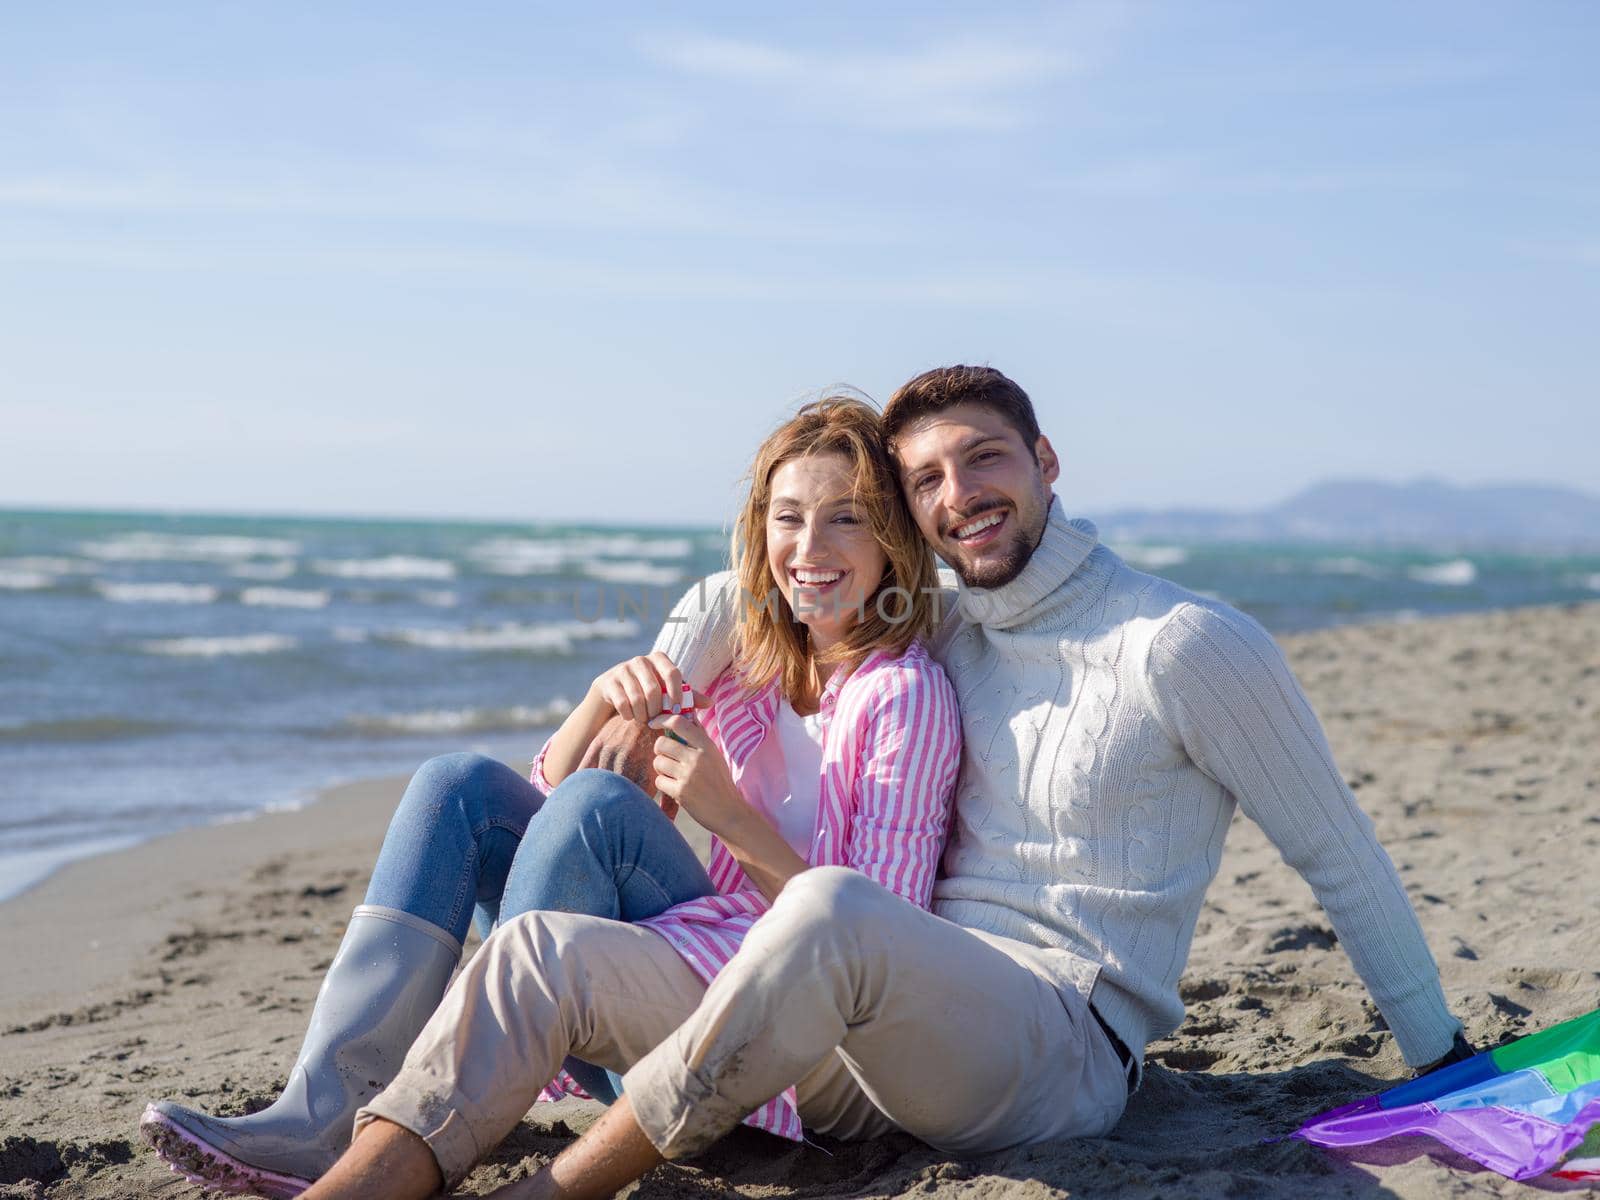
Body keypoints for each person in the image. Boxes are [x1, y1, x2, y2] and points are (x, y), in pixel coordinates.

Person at [294, 364, 1477, 1200]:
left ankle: (562, 1188)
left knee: (826, 905)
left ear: (1047, 461)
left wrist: (1443, 1066)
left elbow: (1339, 857)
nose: (959, 494)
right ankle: (354, 1179)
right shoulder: (950, 624)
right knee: (534, 950)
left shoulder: (1180, 644)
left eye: (985, 458)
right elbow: (749, 593)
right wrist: (643, 672)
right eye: (927, 479)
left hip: (1058, 1045)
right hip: (862, 1029)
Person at [140, 395, 960, 1195]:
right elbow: (542, 811)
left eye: (845, 518)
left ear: (891, 538)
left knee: (601, 809)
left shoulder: (905, 696)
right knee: (459, 787)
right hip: (671, 974)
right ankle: (323, 1111)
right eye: (788, 516)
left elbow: (874, 942)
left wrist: (727, 816)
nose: (809, 545)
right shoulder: (751, 663)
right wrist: (599, 701)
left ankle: (442, 1101)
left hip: (771, 1044)